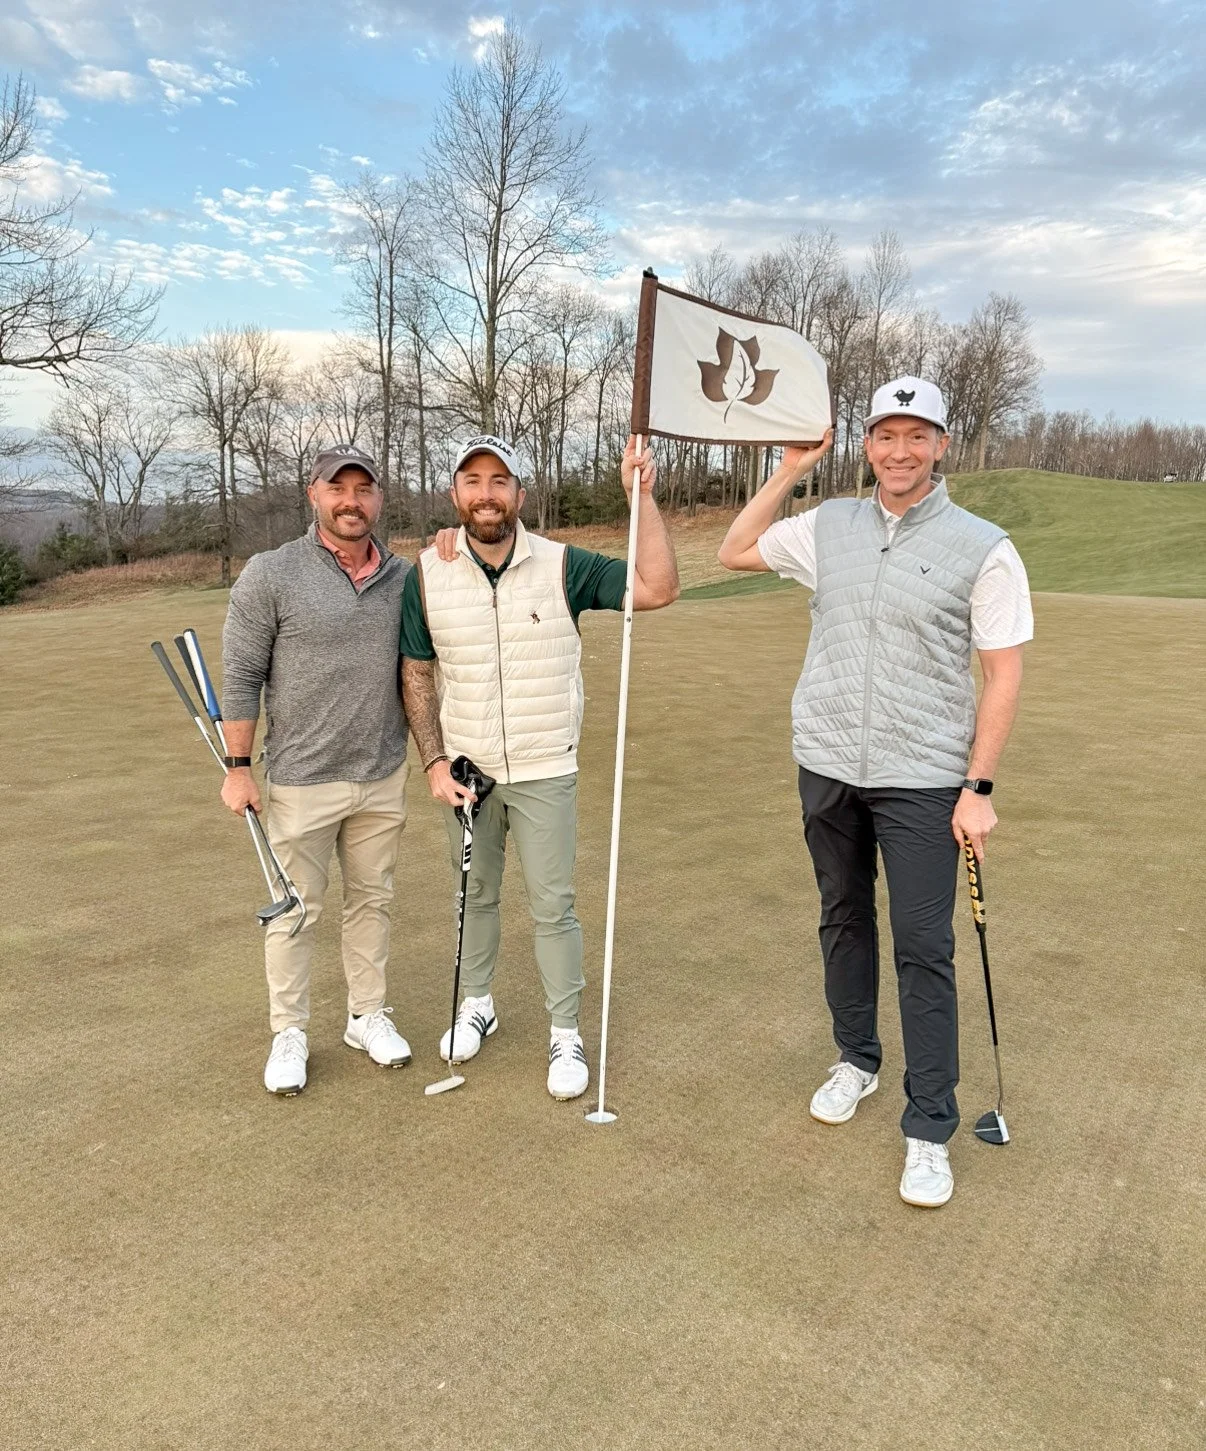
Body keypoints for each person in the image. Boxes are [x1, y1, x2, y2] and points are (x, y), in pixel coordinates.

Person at [718, 377, 1032, 1207]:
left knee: (924, 946)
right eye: (885, 434)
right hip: (826, 762)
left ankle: (929, 1124)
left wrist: (979, 786)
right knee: (842, 916)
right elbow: (735, 549)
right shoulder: (831, 526)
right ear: (866, 445)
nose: (900, 450)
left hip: (925, 777)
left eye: (916, 434)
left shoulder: (983, 544)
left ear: (941, 444)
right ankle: (856, 1058)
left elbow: (1002, 673)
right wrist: (790, 469)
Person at [400, 432, 679, 1100]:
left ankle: (565, 1031)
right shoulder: (428, 569)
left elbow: (659, 588)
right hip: (466, 769)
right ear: (454, 495)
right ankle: (477, 1003)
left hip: (544, 765)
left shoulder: (563, 566)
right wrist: (434, 760)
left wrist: (641, 494)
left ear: (520, 493)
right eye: (473, 481)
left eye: (500, 481)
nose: (486, 493)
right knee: (476, 894)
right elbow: (416, 669)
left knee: (554, 905)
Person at [221, 445, 413, 1096]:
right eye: (339, 488)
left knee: (373, 901)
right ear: (314, 494)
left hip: (382, 771)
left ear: (379, 499)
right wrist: (238, 766)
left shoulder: (404, 576)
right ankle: (290, 1032)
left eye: (364, 489)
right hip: (301, 776)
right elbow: (242, 674)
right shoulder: (271, 573)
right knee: (294, 911)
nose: (352, 501)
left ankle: (366, 1016)